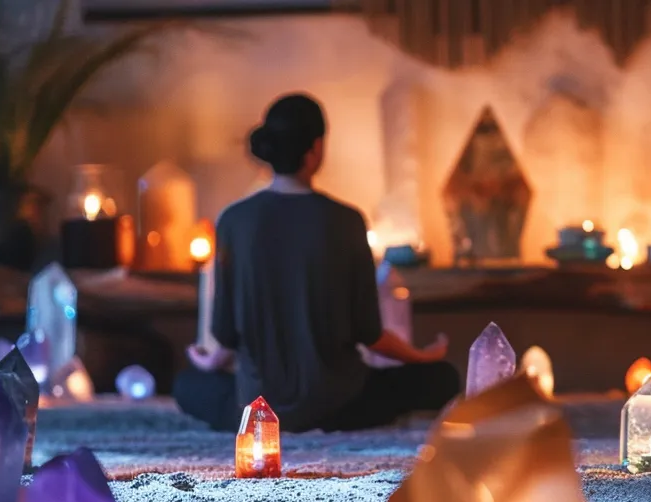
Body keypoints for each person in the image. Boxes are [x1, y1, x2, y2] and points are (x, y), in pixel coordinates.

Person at [175, 93, 459, 433]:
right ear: (315, 150)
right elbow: (368, 333)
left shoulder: (233, 220)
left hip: (255, 410)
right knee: (444, 378)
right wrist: (421, 357)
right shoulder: (347, 220)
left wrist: (207, 363)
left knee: (186, 384)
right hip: (342, 405)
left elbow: (226, 334)